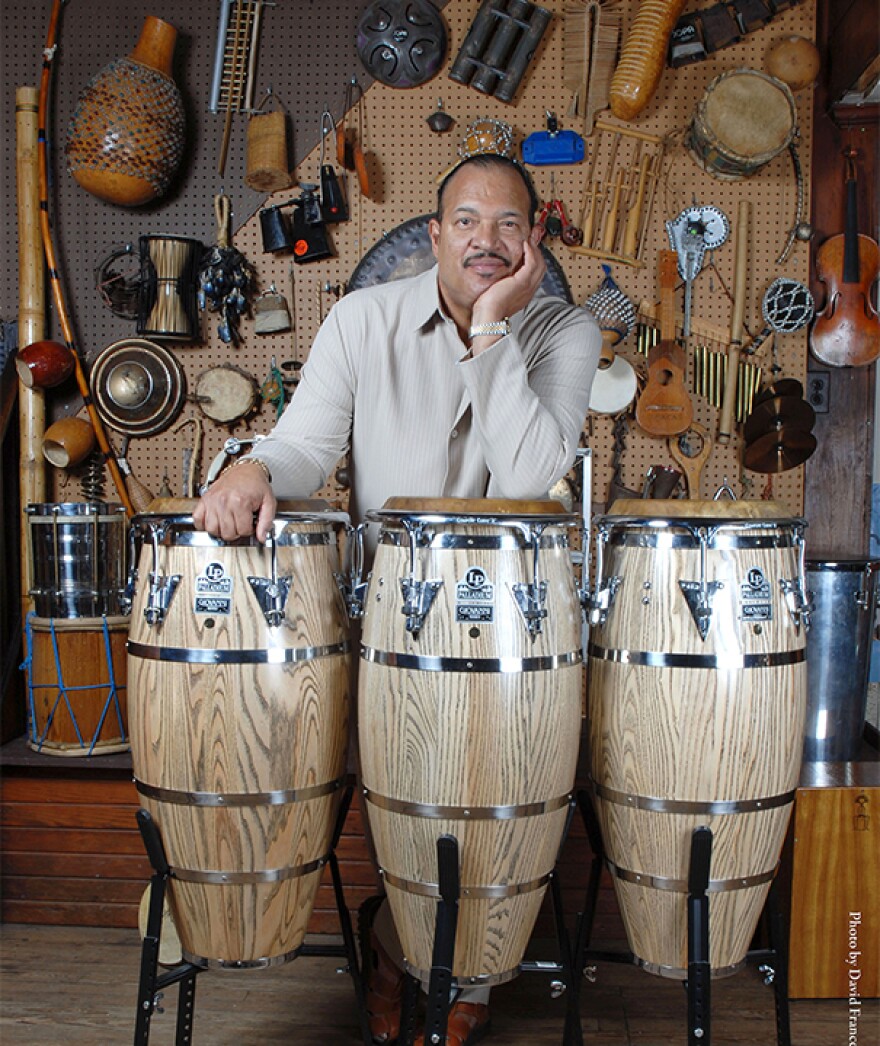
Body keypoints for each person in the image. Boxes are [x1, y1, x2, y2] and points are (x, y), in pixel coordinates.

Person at [194, 153, 601, 1046]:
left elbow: (535, 479)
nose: (485, 242)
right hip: (394, 623)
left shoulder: (566, 334)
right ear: (434, 234)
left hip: (516, 630)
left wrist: (492, 330)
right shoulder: (361, 319)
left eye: (506, 225)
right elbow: (306, 447)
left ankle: (473, 978)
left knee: (497, 797)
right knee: (410, 800)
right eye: (466, 221)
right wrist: (254, 467)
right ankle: (396, 948)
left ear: (534, 237)